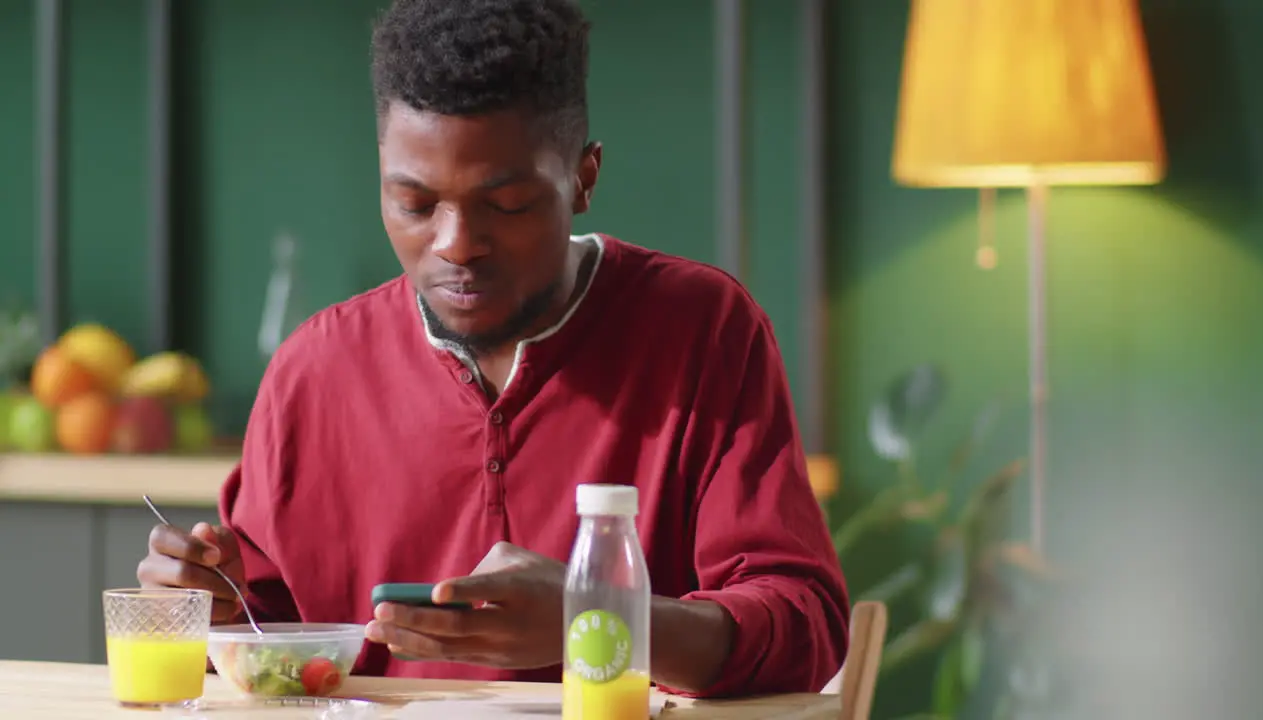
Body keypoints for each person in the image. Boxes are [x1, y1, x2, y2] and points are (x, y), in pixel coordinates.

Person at [137, 0, 849, 699]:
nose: (455, 245)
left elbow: (803, 626)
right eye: (415, 204)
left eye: (505, 206)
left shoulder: (702, 330)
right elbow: (268, 646)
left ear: (583, 178)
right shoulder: (314, 370)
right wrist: (209, 609)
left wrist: (594, 619)